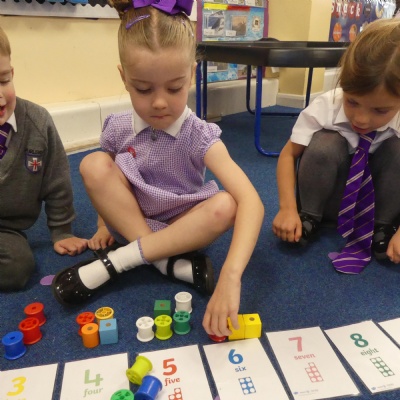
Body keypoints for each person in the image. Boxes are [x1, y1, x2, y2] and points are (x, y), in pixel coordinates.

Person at [51, 0, 264, 337]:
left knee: (226, 205)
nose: (160, 102)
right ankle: (163, 262)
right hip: (131, 222)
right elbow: (106, 179)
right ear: (124, 78)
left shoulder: (199, 134)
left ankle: (121, 260)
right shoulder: (118, 127)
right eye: (143, 89)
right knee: (93, 163)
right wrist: (104, 223)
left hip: (183, 230)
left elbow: (252, 201)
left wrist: (231, 275)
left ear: (191, 74)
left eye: (174, 88)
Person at [272, 18, 400, 266]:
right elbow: (288, 155)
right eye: (352, 102)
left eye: (380, 110)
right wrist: (287, 209)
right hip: (330, 198)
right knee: (324, 143)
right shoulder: (326, 106)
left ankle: (383, 227)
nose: (361, 119)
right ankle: (310, 217)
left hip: (381, 200)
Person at [0, 27, 88, 291]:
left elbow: (56, 181)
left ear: (12, 73)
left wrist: (61, 231)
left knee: (17, 268)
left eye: (3, 80)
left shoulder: (38, 122)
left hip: (6, 230)